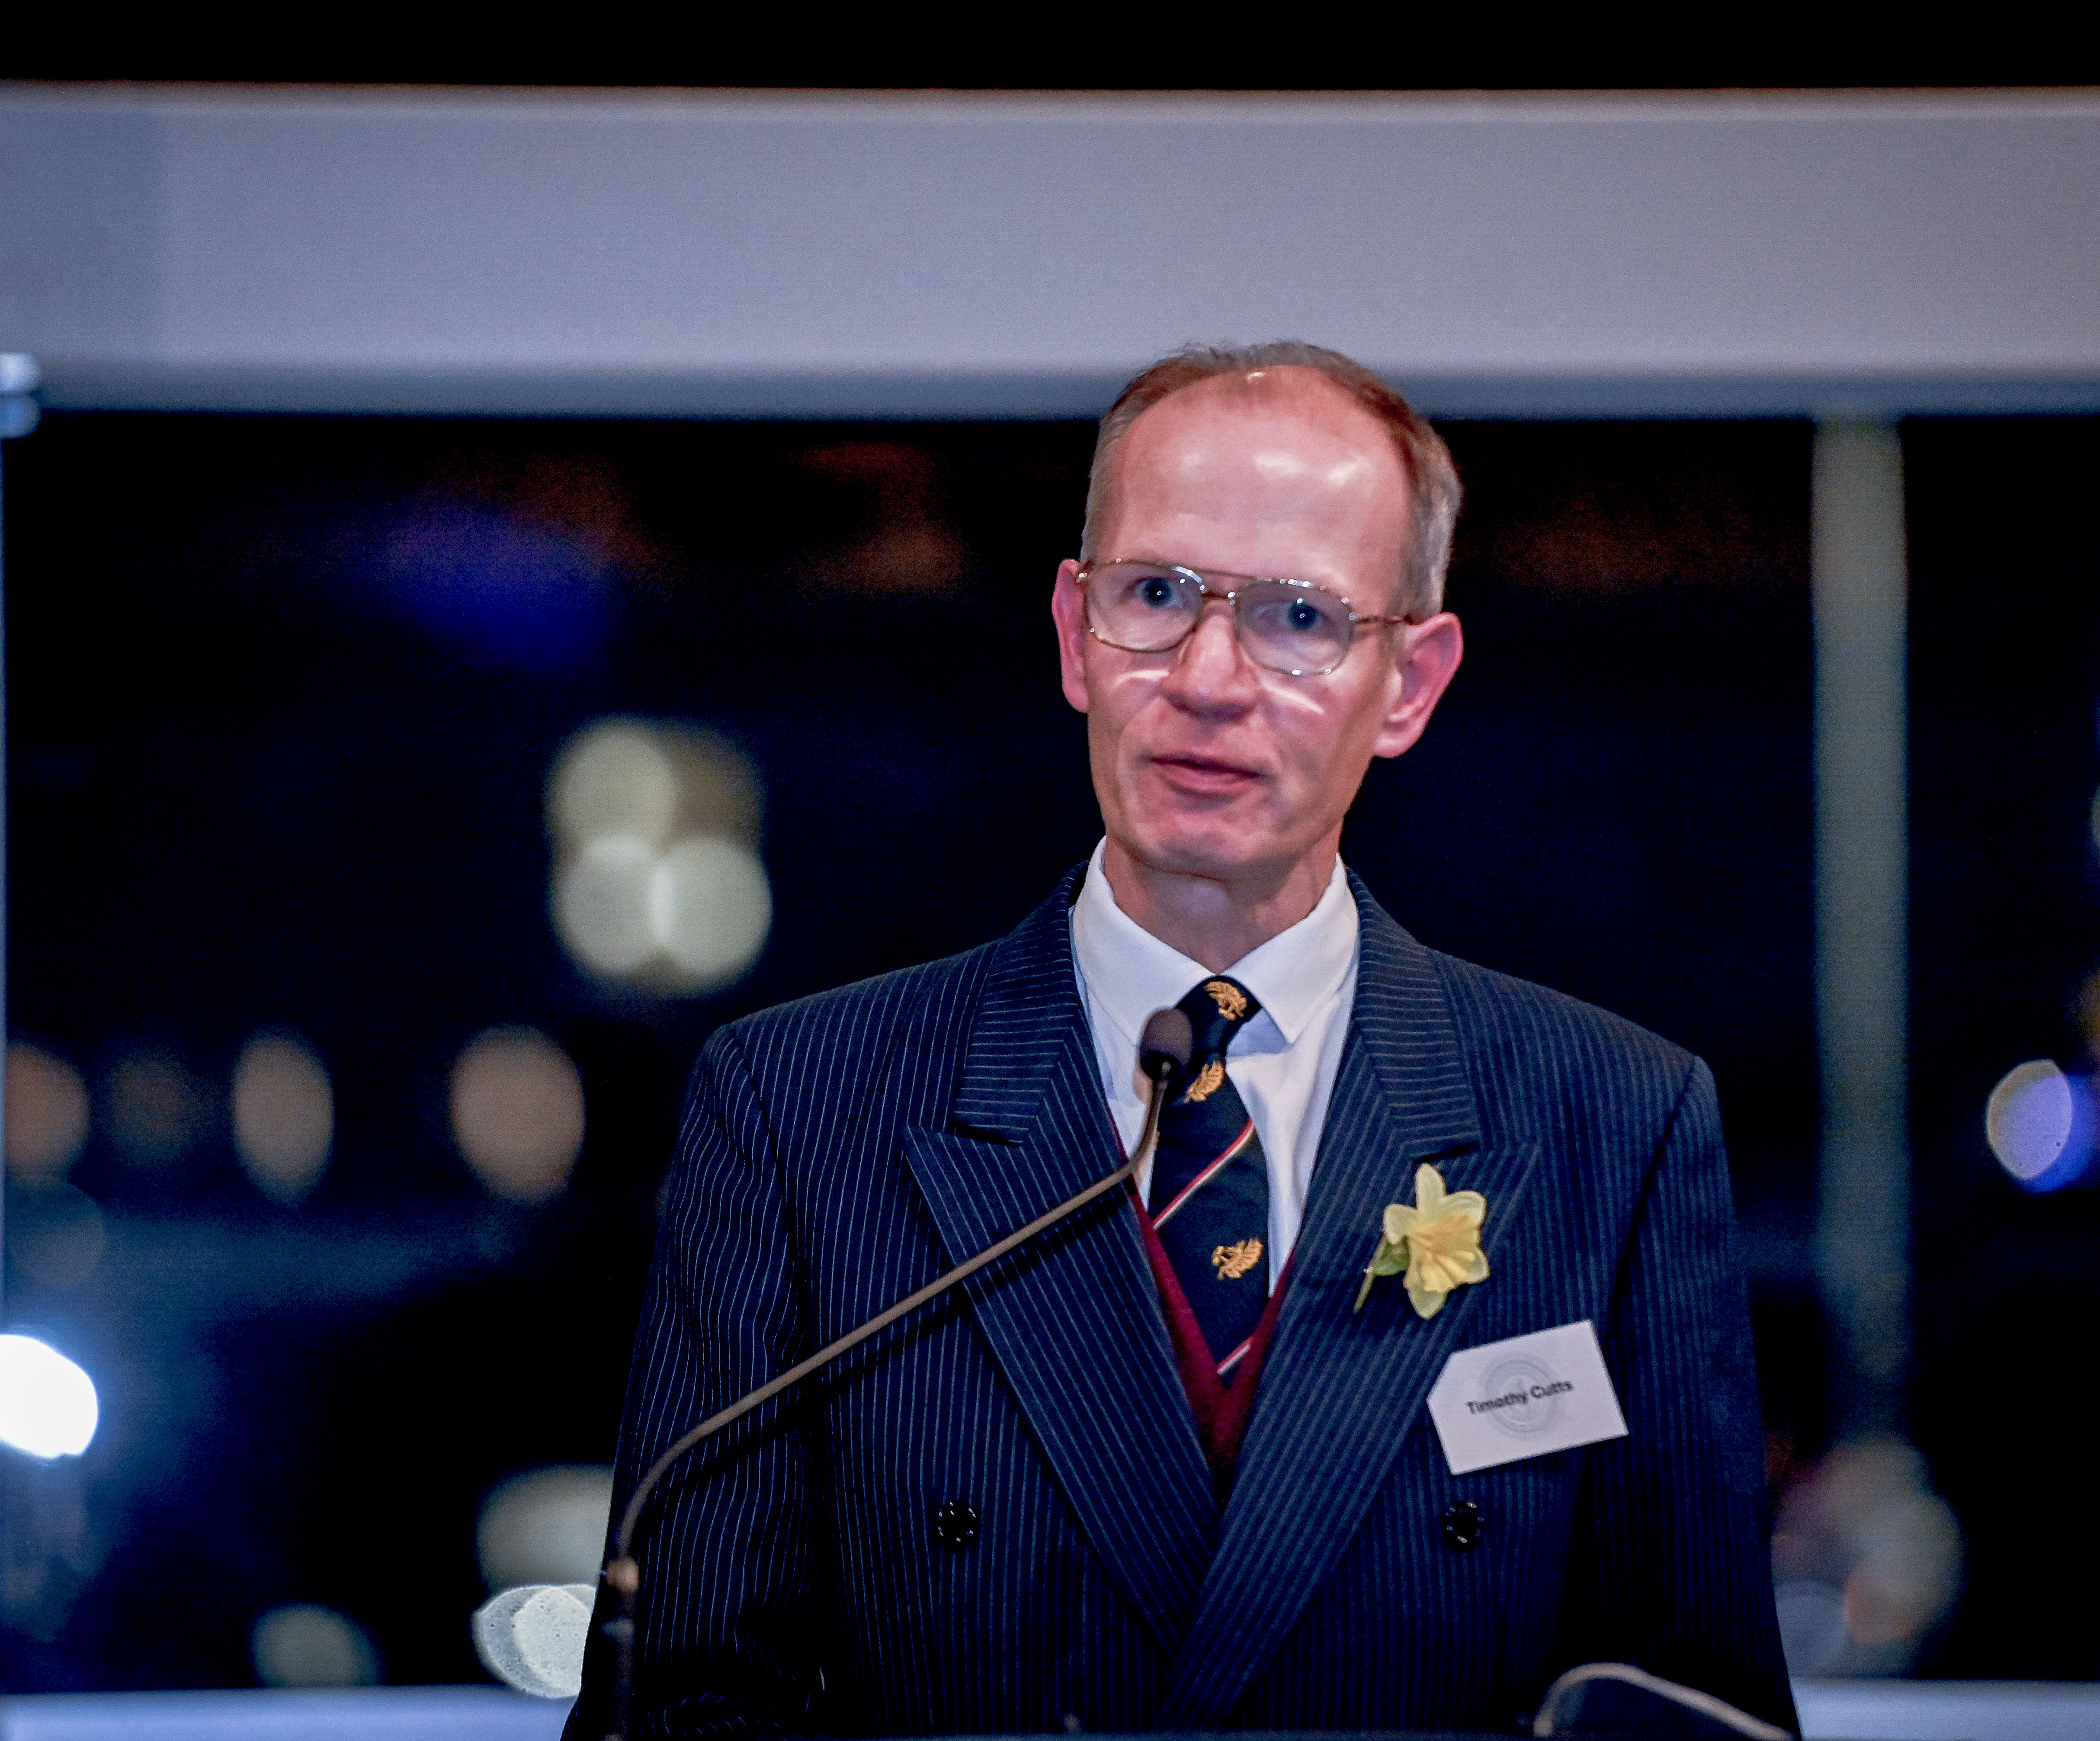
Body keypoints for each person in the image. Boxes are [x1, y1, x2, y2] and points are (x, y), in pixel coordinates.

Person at [565, 343, 1792, 1737]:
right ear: (1074, 632)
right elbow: (687, 1704)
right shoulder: (802, 1109)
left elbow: (1693, 1711)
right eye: (1155, 596)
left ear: (1410, 682)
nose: (1209, 677)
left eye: (1298, 617)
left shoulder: (1610, 1126)